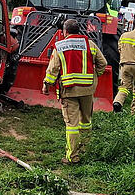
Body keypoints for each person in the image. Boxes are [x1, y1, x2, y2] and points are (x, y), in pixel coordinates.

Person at [43, 19, 108, 164]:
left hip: (69, 90)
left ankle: (73, 157)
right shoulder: (90, 44)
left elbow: (53, 69)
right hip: (88, 89)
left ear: (65, 31)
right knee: (86, 121)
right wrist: (95, 76)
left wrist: (47, 85)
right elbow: (103, 63)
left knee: (71, 125)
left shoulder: (60, 46)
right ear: (79, 30)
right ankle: (85, 150)